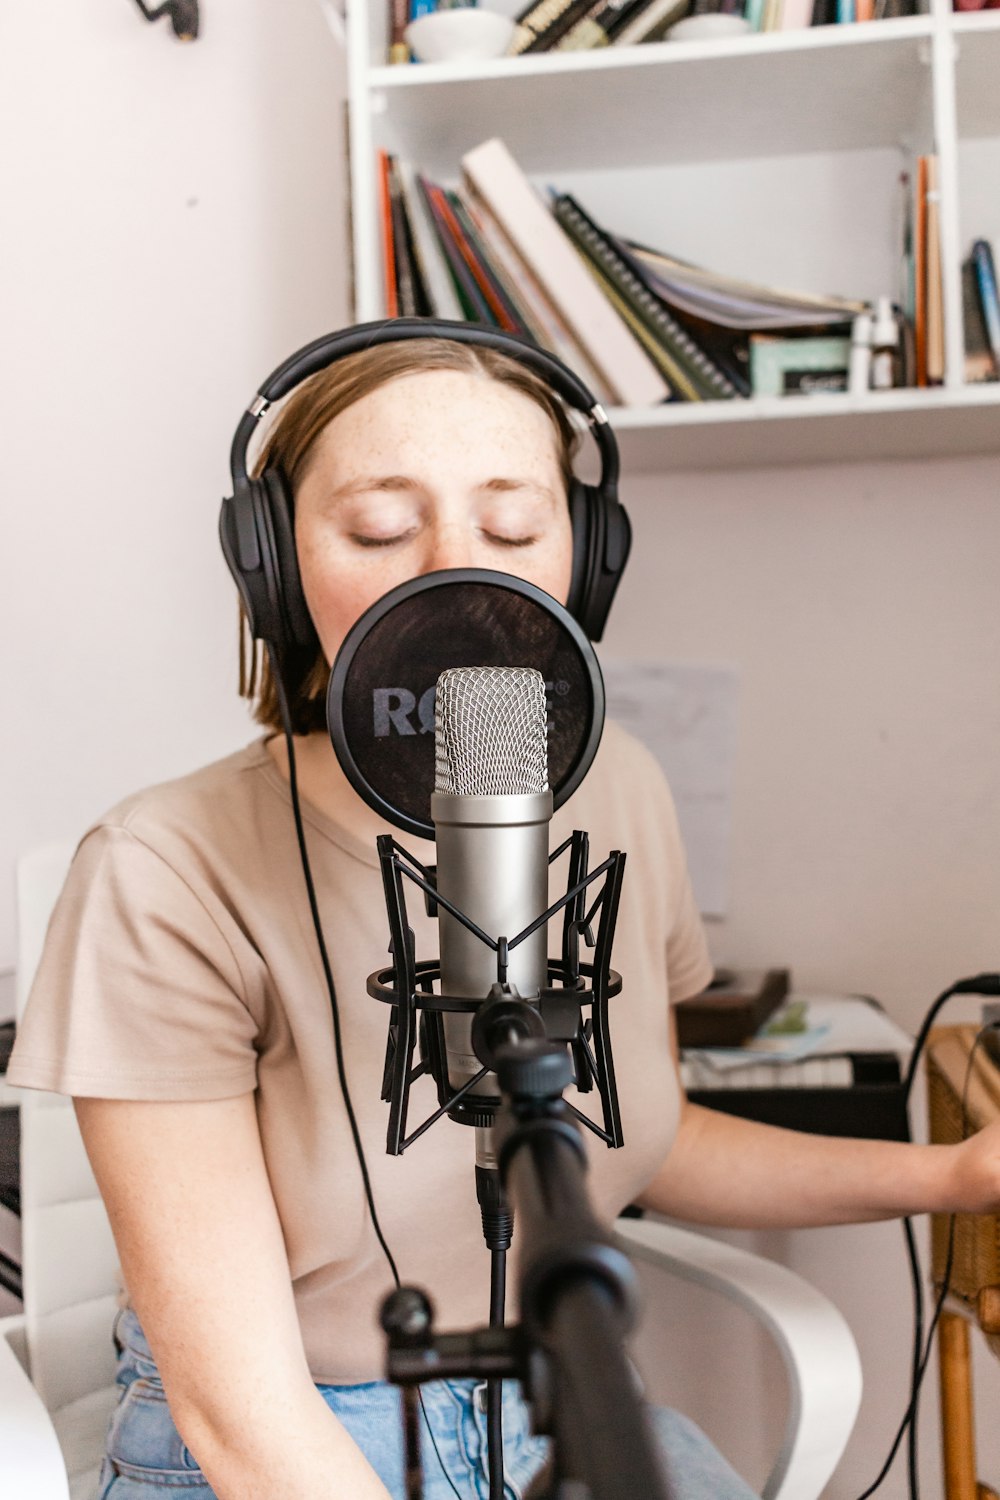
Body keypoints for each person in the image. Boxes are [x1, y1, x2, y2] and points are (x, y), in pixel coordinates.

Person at [9, 328, 1000, 1500]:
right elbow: (242, 1415)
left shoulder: (615, 781)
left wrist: (948, 1177)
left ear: (583, 565)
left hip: (558, 1409)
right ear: (271, 568)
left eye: (515, 527)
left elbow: (645, 1135)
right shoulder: (160, 868)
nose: (454, 572)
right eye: (381, 529)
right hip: (280, 1443)